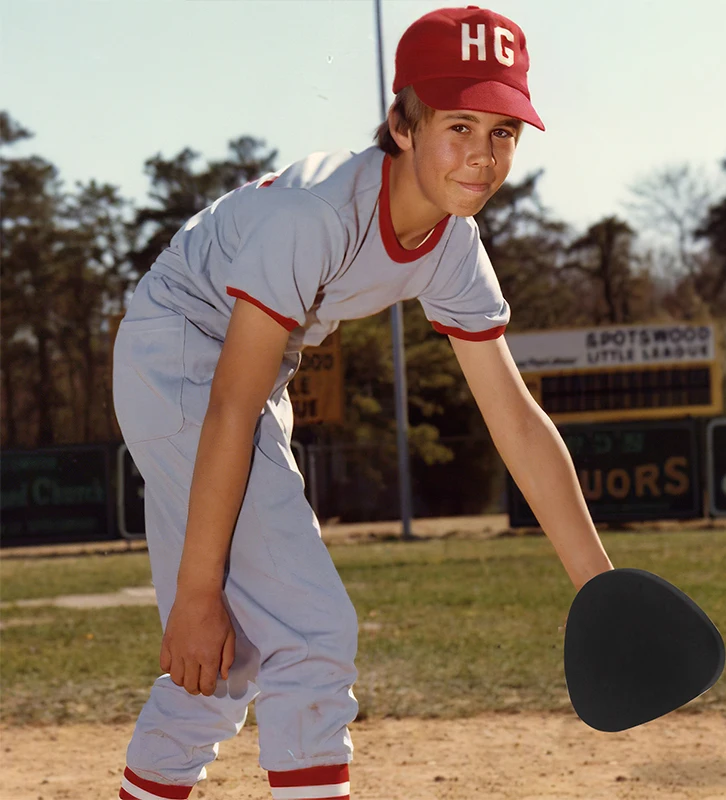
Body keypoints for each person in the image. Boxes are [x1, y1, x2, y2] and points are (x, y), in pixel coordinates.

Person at [113, 5, 614, 799]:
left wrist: (601, 588)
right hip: (179, 355)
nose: (483, 156)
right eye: (459, 125)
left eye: (503, 132)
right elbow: (228, 407)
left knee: (226, 651)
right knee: (310, 633)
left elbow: (514, 418)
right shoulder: (313, 216)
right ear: (401, 124)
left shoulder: (451, 243)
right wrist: (196, 593)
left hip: (234, 376)